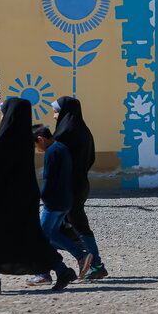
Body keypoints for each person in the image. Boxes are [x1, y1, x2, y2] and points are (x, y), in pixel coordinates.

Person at [0, 98, 77, 293]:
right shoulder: (23, 138)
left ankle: (62, 270)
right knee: (13, 237)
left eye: (3, 112)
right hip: (20, 199)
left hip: (7, 201)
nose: (1, 117)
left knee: (6, 237)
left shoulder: (8, 138)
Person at [24, 125, 93, 287]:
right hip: (65, 200)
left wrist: (43, 197)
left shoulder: (51, 151)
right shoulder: (62, 147)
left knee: (39, 236)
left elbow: (49, 178)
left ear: (40, 139)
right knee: (52, 233)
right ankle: (80, 257)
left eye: (35, 144)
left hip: (53, 201)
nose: (36, 148)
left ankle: (44, 273)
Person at [51, 96, 108, 279]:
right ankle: (87, 261)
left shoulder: (65, 133)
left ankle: (92, 262)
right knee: (68, 225)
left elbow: (56, 163)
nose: (53, 114)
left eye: (56, 110)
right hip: (80, 183)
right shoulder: (83, 131)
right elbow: (90, 158)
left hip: (67, 186)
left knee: (64, 226)